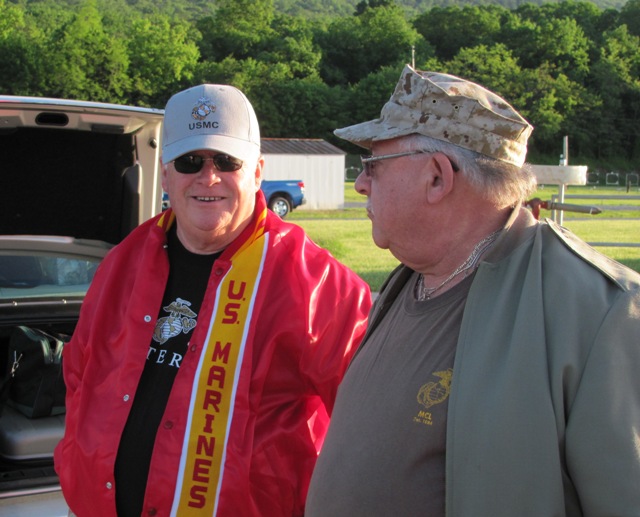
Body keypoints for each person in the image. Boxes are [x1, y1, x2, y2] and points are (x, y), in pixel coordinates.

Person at [306, 64, 640, 516]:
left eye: (373, 165)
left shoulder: (601, 312)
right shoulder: (415, 274)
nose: (362, 182)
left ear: (438, 177)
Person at [54, 84, 371, 517]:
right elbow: (80, 375)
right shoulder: (122, 263)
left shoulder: (318, 284)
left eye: (227, 161)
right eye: (189, 161)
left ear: (257, 172)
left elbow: (373, 432)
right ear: (166, 176)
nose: (208, 177)